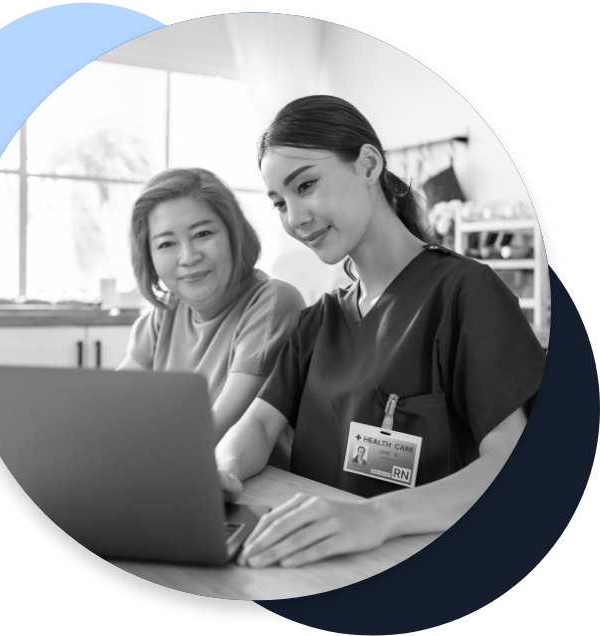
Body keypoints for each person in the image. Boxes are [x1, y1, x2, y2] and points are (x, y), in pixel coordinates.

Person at [215, 95, 547, 568]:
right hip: (312, 561)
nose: (295, 218)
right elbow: (259, 423)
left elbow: (512, 463)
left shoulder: (467, 293)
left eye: (305, 185)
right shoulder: (319, 320)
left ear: (368, 165)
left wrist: (375, 517)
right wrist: (222, 468)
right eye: (279, 203)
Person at [117, 167, 306, 444]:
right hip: (173, 465)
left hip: (251, 482)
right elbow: (112, 402)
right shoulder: (165, 312)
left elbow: (222, 425)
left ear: (234, 234)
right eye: (166, 243)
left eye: (203, 234)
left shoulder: (273, 301)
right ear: (149, 256)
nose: (189, 257)